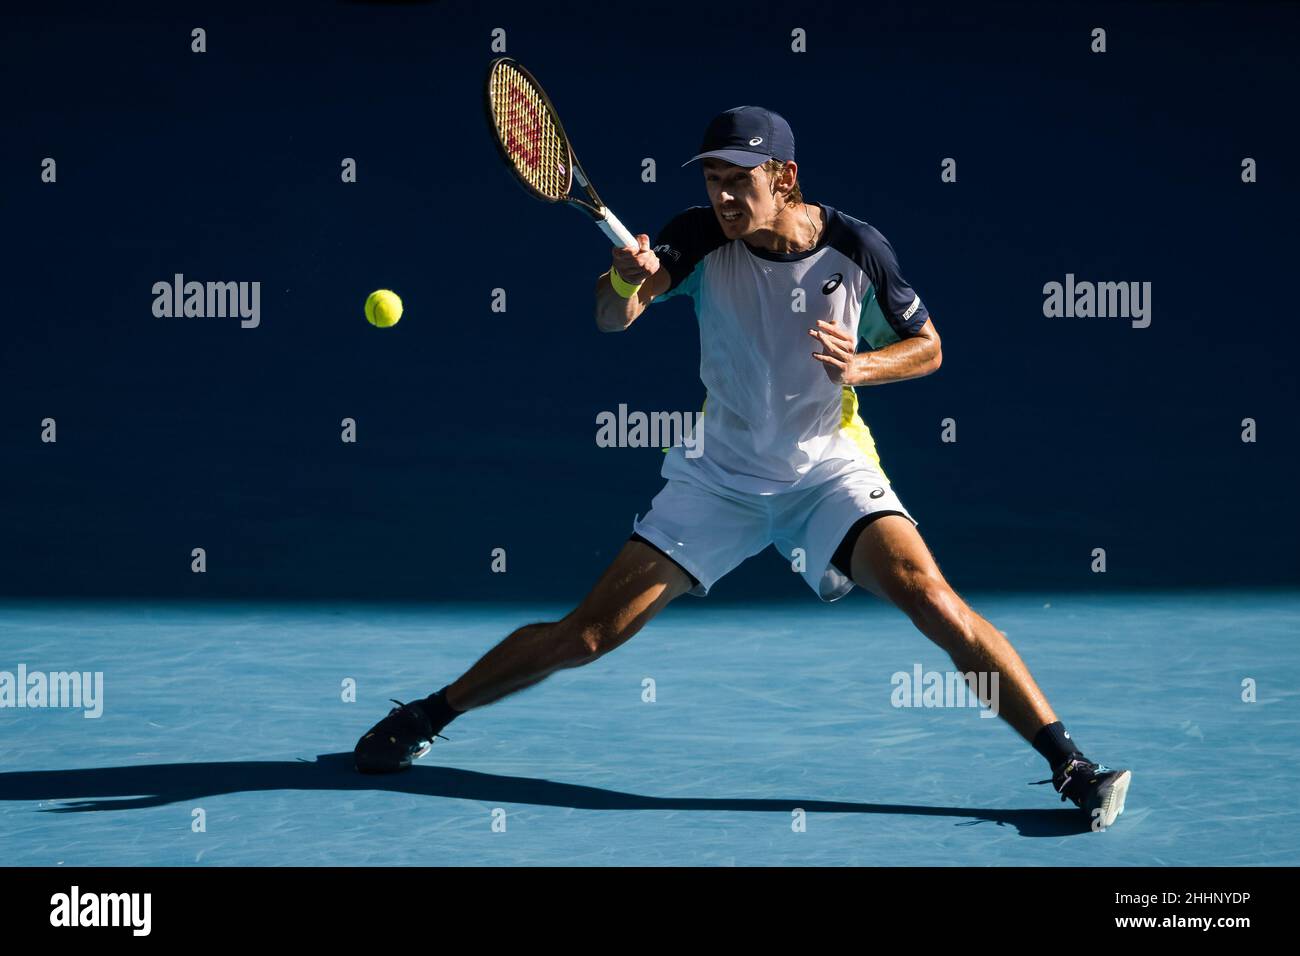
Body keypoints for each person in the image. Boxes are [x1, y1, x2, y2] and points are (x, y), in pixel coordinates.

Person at [354, 106, 1131, 829]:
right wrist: (627, 277)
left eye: (741, 179)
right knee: (589, 635)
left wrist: (863, 367)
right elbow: (611, 314)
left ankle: (1070, 766)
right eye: (714, 180)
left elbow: (929, 347)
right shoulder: (696, 237)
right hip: (717, 478)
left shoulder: (858, 248)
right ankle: (428, 713)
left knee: (931, 596)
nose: (724, 195)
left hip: (827, 467)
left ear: (785, 179)